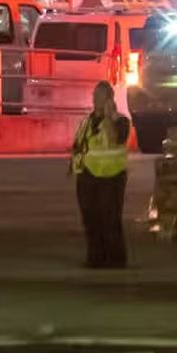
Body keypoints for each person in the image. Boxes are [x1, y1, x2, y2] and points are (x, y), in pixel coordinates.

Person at [70, 81, 130, 268]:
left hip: (111, 178)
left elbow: (114, 138)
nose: (95, 100)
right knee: (90, 220)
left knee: (110, 220)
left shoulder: (120, 121)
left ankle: (116, 260)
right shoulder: (87, 122)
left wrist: (108, 116)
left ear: (110, 99)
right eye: (94, 96)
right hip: (88, 177)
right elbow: (79, 146)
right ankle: (95, 258)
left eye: (100, 97)